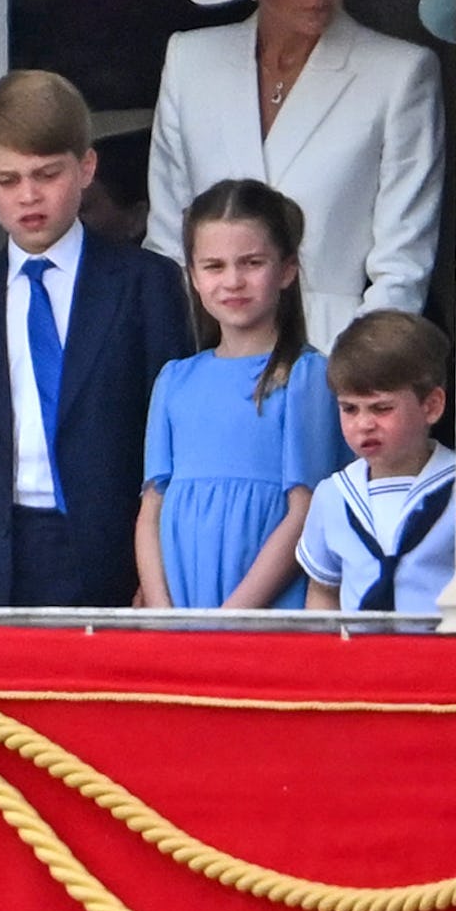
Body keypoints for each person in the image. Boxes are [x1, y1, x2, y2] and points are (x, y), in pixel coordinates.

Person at [144, 0, 446, 354]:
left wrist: (355, 375)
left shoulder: (399, 73)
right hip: (210, 355)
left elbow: (402, 266)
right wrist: (185, 369)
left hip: (336, 355)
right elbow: (167, 245)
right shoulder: (191, 62)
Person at [0, 69, 192, 608]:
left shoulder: (145, 285)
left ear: (86, 167)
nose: (28, 196)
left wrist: (159, 568)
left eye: (47, 174)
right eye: (7, 180)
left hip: (119, 557)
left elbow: (177, 439)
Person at [135, 179, 349, 609]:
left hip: (264, 610)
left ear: (286, 269)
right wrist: (162, 613)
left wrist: (231, 616)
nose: (233, 281)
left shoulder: (305, 375)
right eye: (214, 266)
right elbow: (151, 510)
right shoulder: (174, 380)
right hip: (181, 612)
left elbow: (305, 511)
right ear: (193, 276)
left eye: (251, 263)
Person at [297, 310, 455, 614]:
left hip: (440, 643)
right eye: (349, 409)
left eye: (381, 408)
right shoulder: (334, 495)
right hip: (360, 644)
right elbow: (324, 589)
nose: (364, 424)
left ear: (431, 406)